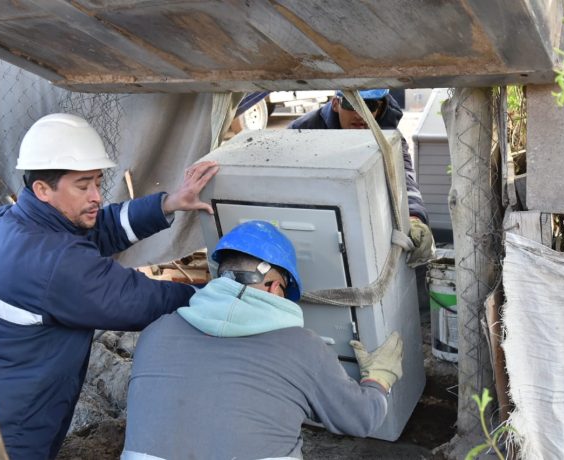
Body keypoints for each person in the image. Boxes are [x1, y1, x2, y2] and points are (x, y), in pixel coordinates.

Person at [0, 113, 219, 460]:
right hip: (11, 425)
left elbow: (99, 229)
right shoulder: (55, 263)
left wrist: (169, 203)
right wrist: (222, 296)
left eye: (98, 181)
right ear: (43, 189)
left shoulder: (6, 222)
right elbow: (139, 300)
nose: (96, 195)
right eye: (83, 186)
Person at [122, 220, 404, 460]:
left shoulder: (156, 332)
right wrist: (378, 379)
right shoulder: (301, 346)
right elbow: (361, 418)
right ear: (272, 286)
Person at [288, 88, 434, 266]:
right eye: (352, 104)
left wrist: (415, 218)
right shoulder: (302, 131)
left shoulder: (390, 139)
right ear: (335, 104)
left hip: (367, 220)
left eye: (369, 105)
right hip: (315, 222)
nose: (360, 114)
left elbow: (405, 181)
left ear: (379, 108)